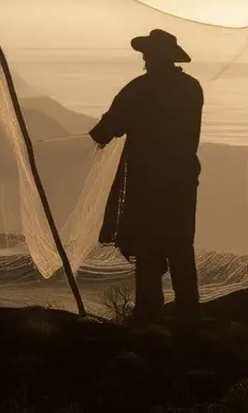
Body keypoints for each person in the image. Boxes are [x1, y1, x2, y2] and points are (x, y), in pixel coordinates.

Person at [91, 28, 203, 326]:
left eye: (149, 55)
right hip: (181, 180)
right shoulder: (191, 88)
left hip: (146, 182)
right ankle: (187, 314)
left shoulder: (139, 90)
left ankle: (149, 314)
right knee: (179, 244)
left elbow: (109, 127)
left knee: (148, 245)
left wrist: (97, 134)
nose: (146, 59)